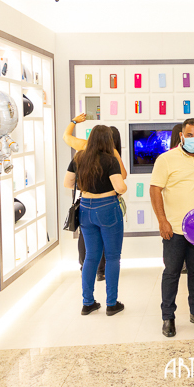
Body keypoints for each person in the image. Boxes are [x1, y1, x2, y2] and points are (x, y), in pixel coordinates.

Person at [150, 118, 194, 337]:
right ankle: (168, 317)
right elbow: (155, 189)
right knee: (172, 273)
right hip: (174, 228)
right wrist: (162, 220)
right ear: (181, 136)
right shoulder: (166, 159)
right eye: (190, 135)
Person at [63, 125, 128, 316]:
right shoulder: (110, 159)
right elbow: (120, 187)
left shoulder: (79, 157)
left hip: (85, 208)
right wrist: (119, 188)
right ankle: (111, 303)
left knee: (91, 256)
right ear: (108, 140)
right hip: (108, 207)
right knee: (113, 257)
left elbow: (68, 183)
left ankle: (88, 303)